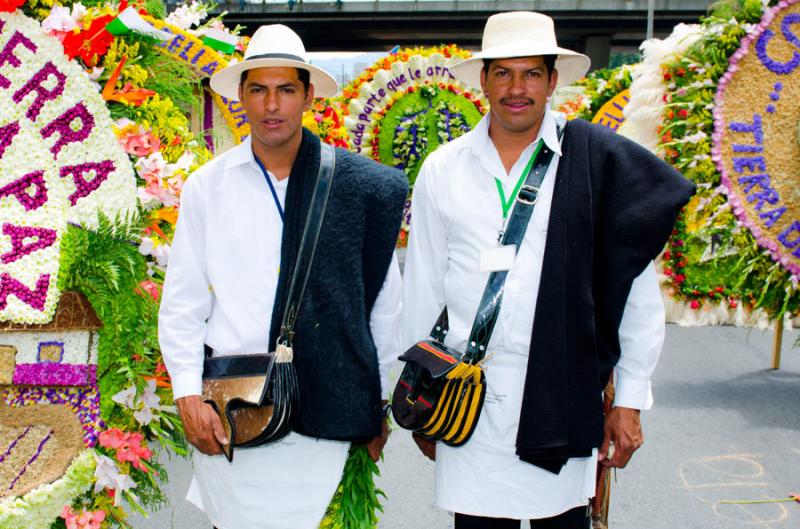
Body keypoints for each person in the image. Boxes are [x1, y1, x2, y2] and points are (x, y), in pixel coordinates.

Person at [401, 11, 695, 529]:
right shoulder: (443, 169)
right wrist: (420, 391)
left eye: (532, 73)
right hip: (470, 399)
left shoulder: (595, 163)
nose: (518, 88)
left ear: (553, 80)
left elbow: (634, 292)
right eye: (504, 73)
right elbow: (423, 286)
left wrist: (628, 400)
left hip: (562, 391)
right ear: (485, 80)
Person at [158, 24, 408, 529]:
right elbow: (184, 302)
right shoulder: (209, 186)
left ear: (308, 95)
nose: (272, 104)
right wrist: (187, 392)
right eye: (258, 89)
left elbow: (383, 308)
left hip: (331, 408)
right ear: (241, 98)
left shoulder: (357, 188)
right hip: (236, 409)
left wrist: (375, 403)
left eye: (286, 89)